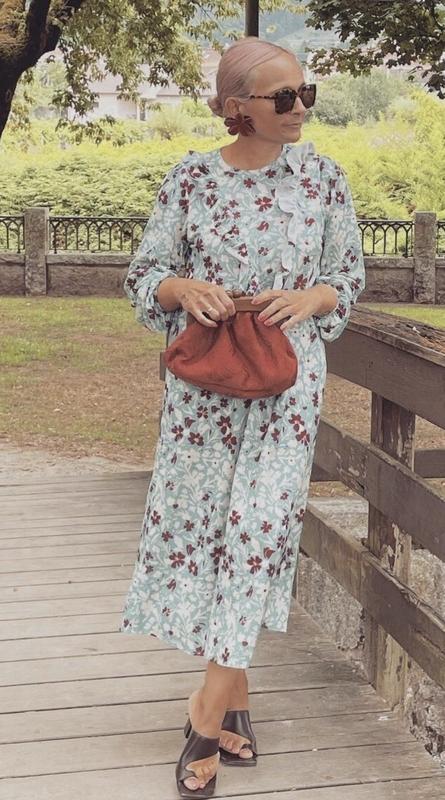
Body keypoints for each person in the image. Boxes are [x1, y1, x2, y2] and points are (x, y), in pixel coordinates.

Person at [119, 35, 365, 798]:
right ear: (235, 108)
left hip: (287, 383)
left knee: (259, 534)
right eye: (282, 97)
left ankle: (204, 711)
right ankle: (237, 701)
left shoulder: (324, 178)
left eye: (305, 93)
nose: (299, 108)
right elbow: (144, 275)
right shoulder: (191, 177)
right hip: (205, 388)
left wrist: (313, 297)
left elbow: (346, 276)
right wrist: (182, 288)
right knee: (207, 531)